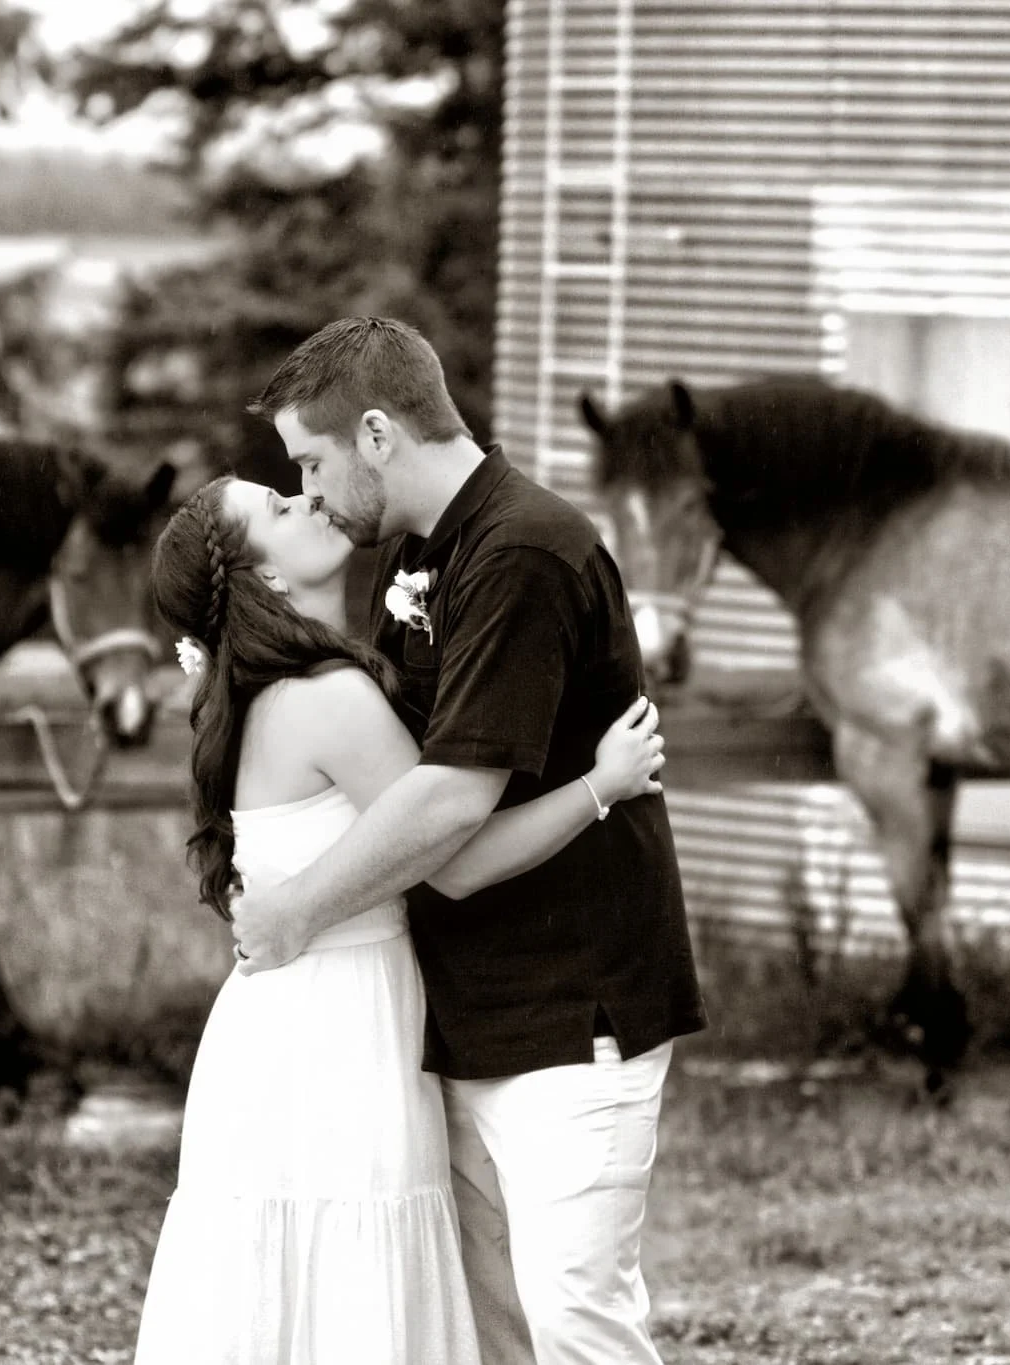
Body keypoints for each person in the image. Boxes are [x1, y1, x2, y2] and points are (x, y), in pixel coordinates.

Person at [228, 316, 708, 1365]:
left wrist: (295, 909)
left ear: (374, 434)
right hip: (467, 1007)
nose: (307, 491)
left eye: (309, 461)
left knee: (574, 1320)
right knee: (495, 1330)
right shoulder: (418, 554)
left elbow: (449, 799)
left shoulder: (523, 551)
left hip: (573, 1011)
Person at [134, 473, 668, 1365]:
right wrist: (597, 788)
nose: (306, 501)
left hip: (280, 1022)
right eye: (279, 507)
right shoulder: (328, 697)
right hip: (339, 1025)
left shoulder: (252, 693)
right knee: (356, 1285)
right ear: (265, 581)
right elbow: (455, 856)